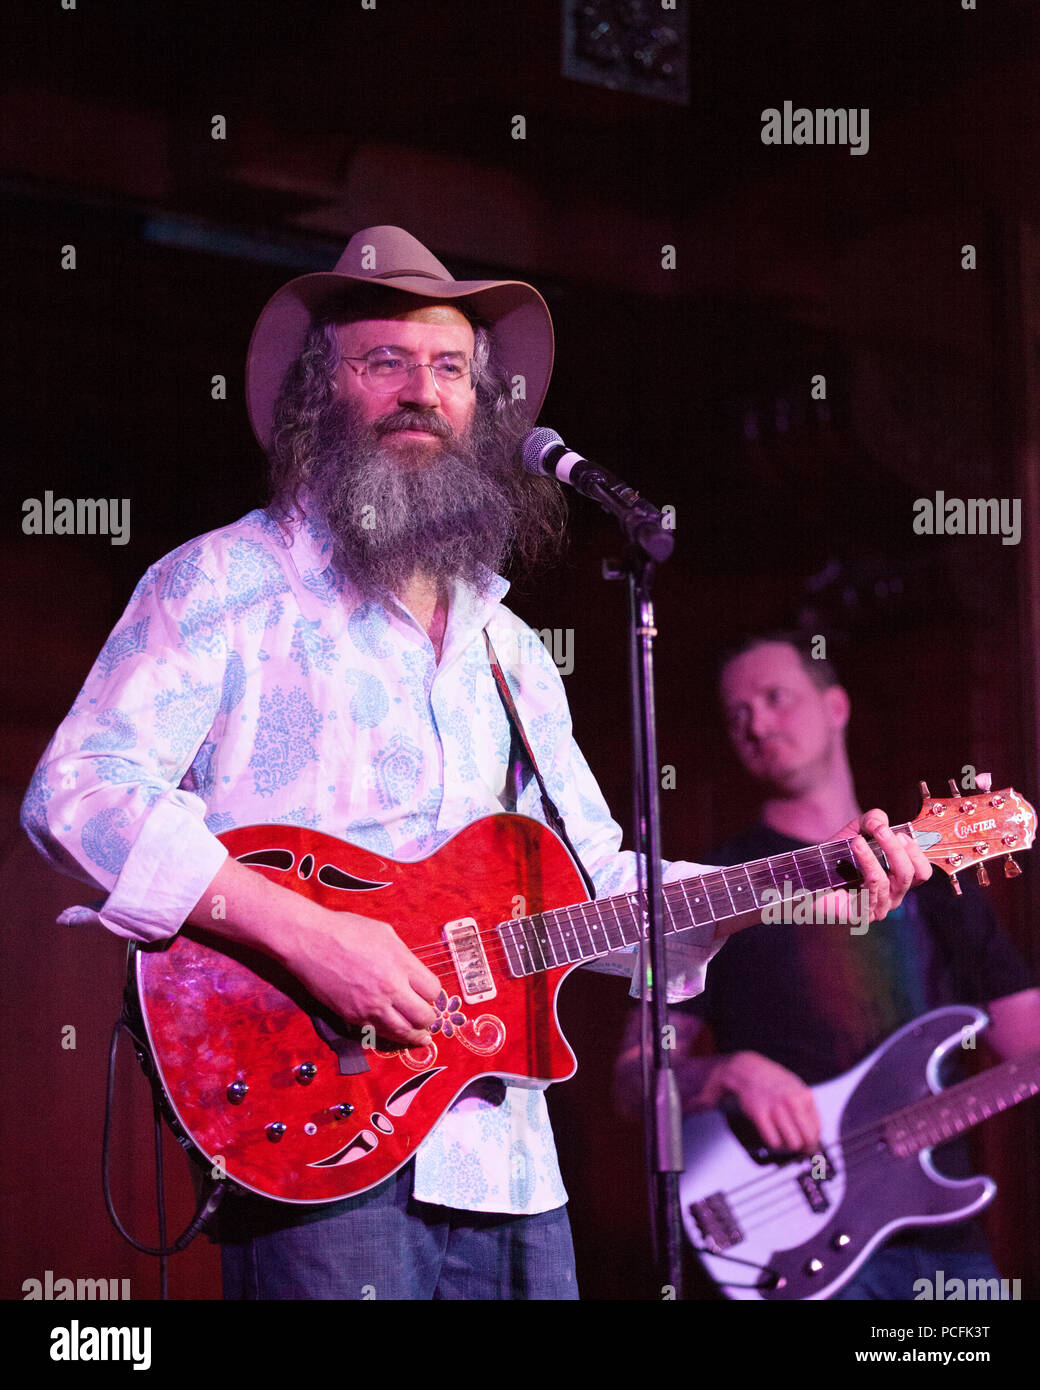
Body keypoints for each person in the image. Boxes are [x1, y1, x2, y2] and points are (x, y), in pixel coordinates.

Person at [20, 231, 926, 1300]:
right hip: (316, 1138)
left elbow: (600, 893)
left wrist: (804, 879)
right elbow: (75, 791)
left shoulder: (510, 649)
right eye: (383, 362)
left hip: (510, 1165)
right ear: (321, 394)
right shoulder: (224, 582)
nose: (421, 392)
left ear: (482, 408)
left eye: (449, 368)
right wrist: (313, 936)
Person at [614, 632, 1040, 1299]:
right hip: (793, 1238)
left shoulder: (934, 877)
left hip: (944, 1240)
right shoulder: (725, 888)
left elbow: (1028, 1041)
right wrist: (726, 1073)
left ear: (835, 705)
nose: (755, 722)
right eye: (737, 714)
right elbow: (632, 1076)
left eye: (775, 697)